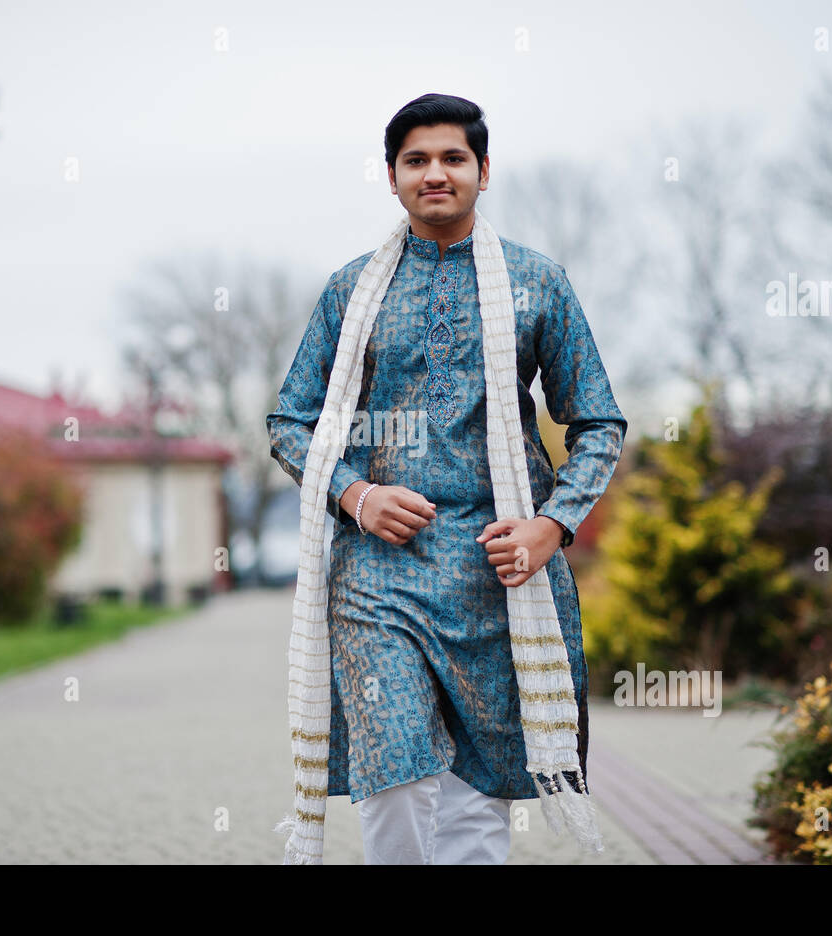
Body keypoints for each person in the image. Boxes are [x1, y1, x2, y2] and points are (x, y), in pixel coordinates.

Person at [266, 93, 627, 864]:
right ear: (391, 177)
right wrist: (356, 495)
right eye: (416, 160)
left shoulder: (537, 283)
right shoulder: (350, 291)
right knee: (393, 772)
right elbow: (290, 422)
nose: (436, 173)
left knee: (476, 795)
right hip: (377, 573)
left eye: (453, 158)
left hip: (496, 571)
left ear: (484, 171)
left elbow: (598, 422)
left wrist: (550, 525)